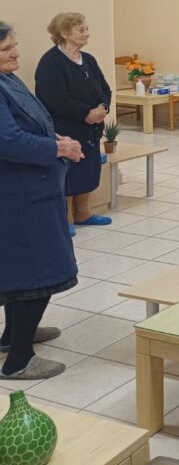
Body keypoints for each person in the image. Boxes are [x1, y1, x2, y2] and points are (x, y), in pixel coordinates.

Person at [0, 21, 83, 380]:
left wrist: (55, 137)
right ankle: (19, 361)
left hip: (33, 189)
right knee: (41, 269)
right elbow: (8, 141)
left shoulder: (7, 79)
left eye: (14, 45)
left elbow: (28, 124)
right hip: (19, 196)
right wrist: (58, 148)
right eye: (7, 49)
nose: (16, 53)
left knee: (22, 269)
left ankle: (13, 335)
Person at [34, 12, 113, 232]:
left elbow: (105, 89)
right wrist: (85, 113)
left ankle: (83, 213)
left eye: (87, 29)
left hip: (91, 129)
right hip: (66, 128)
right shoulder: (51, 62)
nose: (86, 33)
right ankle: (66, 218)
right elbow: (54, 98)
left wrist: (103, 107)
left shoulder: (88, 59)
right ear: (64, 32)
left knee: (87, 169)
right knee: (69, 174)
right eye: (81, 29)